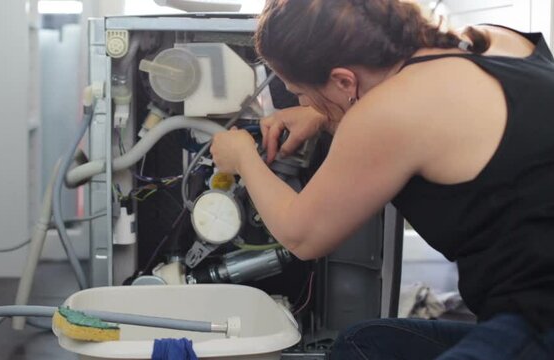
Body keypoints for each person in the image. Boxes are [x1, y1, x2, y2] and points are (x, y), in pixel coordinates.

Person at [209, 0, 554, 359]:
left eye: (299, 92)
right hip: (528, 307)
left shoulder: (389, 113)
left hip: (538, 317)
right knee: (367, 344)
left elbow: (301, 235)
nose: (302, 101)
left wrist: (242, 158)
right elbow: (437, 123)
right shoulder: (494, 41)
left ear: (344, 79)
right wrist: (324, 113)